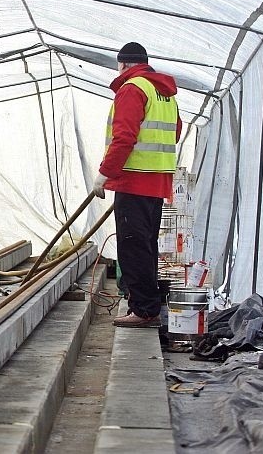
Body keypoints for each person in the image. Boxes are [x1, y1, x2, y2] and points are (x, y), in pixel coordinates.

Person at [93, 42, 181, 329]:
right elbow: (175, 132)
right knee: (145, 245)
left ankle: (143, 310)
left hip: (135, 180)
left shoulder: (133, 89)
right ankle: (147, 305)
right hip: (157, 181)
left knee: (132, 246)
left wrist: (105, 173)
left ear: (123, 65)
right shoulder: (164, 93)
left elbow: (125, 137)